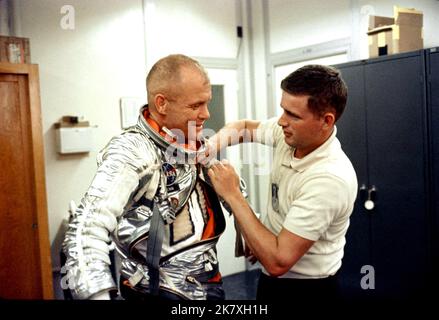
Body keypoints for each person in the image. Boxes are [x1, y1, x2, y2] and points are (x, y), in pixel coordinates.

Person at [62, 54, 244, 300]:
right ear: (162, 104)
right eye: (195, 105)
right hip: (157, 290)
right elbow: (86, 227)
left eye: (207, 103)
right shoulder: (133, 150)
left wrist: (243, 216)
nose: (206, 114)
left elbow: (226, 192)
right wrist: (97, 295)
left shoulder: (190, 140)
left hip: (207, 283)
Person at [205, 64, 358, 302]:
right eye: (283, 110)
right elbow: (244, 128)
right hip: (272, 281)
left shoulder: (328, 179)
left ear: (326, 121)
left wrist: (233, 194)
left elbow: (278, 261)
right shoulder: (289, 137)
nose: (281, 122)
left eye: (293, 115)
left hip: (306, 292)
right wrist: (210, 146)